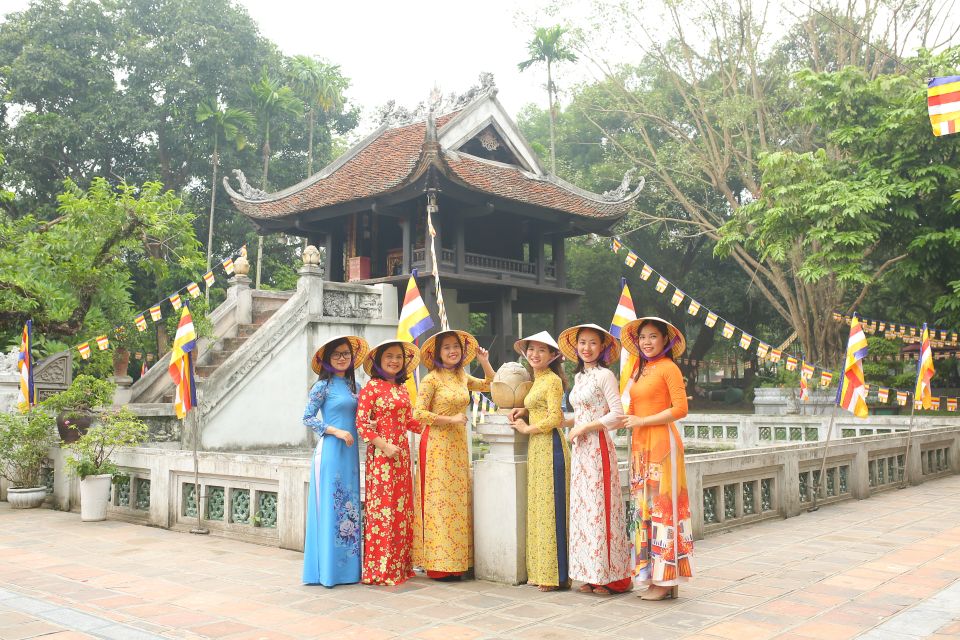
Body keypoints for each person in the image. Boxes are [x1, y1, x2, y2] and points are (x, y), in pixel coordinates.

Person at [618, 317, 694, 600]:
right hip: (640, 447)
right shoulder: (640, 370)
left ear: (665, 340)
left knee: (664, 510)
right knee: (644, 513)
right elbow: (631, 411)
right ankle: (654, 578)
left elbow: (681, 409)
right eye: (642, 337)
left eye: (653, 336)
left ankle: (666, 580)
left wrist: (644, 419)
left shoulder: (669, 368)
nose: (647, 342)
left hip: (663, 445)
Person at [413, 330, 496, 581]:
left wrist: (484, 362)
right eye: (447, 347)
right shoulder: (431, 380)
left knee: (457, 503)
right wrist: (449, 419)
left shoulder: (461, 375)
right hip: (436, 445)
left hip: (458, 447)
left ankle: (458, 561)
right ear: (438, 353)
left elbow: (490, 385)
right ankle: (438, 565)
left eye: (456, 347)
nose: (452, 351)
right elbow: (418, 414)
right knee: (438, 502)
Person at [557, 323, 632, 595]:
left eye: (592, 343)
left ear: (602, 348)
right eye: (582, 343)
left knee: (601, 509)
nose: (586, 348)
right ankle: (589, 574)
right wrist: (548, 420)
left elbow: (617, 415)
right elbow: (578, 415)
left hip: (598, 447)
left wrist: (585, 428)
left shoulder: (605, 376)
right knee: (584, 512)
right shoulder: (579, 378)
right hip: (580, 452)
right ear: (576, 348)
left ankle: (612, 577)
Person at [301, 335, 369, 587]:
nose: (342, 358)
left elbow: (361, 418)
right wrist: (336, 431)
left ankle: (348, 572)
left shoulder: (356, 387)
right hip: (330, 452)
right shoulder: (322, 387)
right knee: (331, 506)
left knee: (348, 508)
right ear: (328, 360)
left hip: (350, 455)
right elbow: (308, 418)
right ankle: (327, 572)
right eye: (336, 354)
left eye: (346, 354)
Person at [356, 339, 423, 586]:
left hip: (403, 456)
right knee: (382, 511)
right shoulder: (371, 388)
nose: (394, 361)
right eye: (389, 357)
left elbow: (410, 422)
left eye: (398, 357)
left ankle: (399, 567)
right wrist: (384, 446)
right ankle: (380, 569)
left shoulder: (402, 389)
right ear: (379, 361)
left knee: (401, 511)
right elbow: (362, 424)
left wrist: (436, 420)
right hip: (382, 459)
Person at [508, 331, 570, 592]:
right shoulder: (537, 380)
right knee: (538, 509)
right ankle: (540, 570)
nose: (534, 354)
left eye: (541, 351)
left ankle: (556, 575)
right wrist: (525, 410)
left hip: (551, 445)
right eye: (531, 350)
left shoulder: (553, 380)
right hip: (538, 449)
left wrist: (526, 428)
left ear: (553, 355)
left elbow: (556, 418)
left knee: (550, 510)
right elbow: (539, 406)